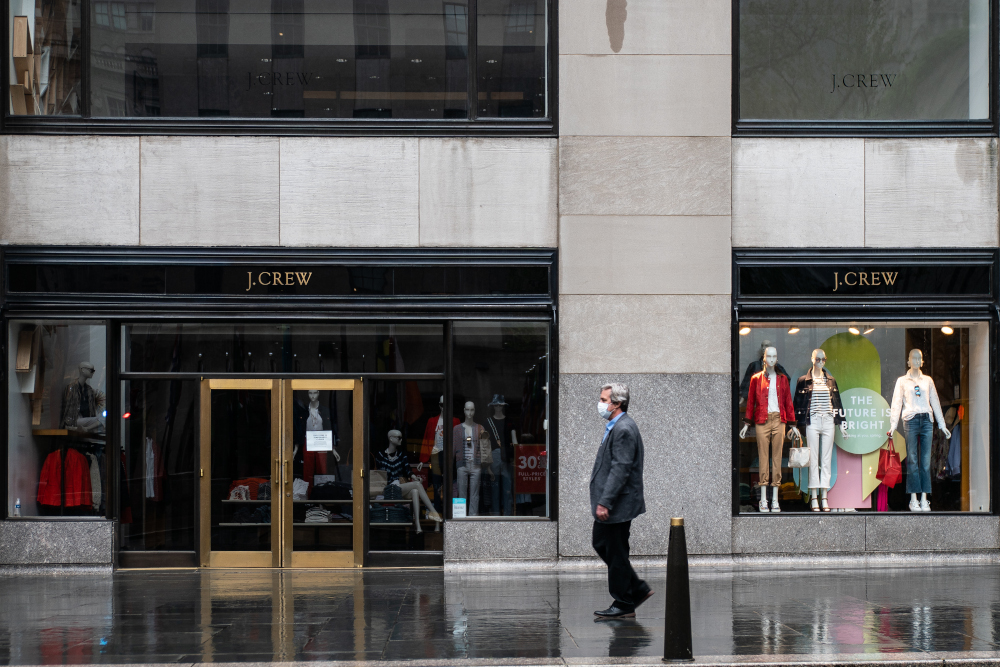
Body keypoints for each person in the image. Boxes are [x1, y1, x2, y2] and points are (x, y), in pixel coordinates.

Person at [590, 382, 652, 619]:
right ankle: (635, 589)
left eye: (604, 400)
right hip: (615, 502)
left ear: (617, 403)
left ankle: (624, 601)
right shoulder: (616, 426)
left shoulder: (624, 429)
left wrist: (605, 502)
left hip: (618, 504)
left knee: (615, 550)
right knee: (603, 544)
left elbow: (621, 469)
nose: (601, 404)